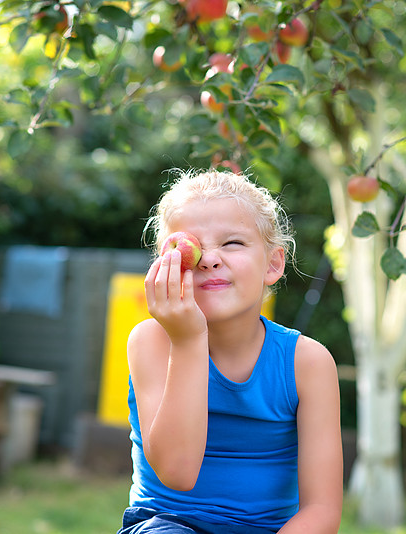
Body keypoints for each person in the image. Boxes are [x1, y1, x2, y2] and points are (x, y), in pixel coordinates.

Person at [119, 169, 342, 534]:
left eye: (233, 243)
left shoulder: (307, 363)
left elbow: (322, 510)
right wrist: (188, 340)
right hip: (168, 526)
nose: (208, 259)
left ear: (273, 263)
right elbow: (177, 471)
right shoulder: (151, 342)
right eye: (190, 246)